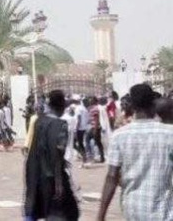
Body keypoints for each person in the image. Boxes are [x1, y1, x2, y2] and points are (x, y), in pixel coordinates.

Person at [97, 84, 173, 221]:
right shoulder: (169, 134)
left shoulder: (119, 136)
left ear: (132, 106)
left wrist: (101, 215)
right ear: (153, 104)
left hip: (133, 210)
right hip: (164, 211)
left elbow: (111, 177)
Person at [24, 90, 79, 221]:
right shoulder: (61, 125)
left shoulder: (39, 121)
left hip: (35, 172)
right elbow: (57, 153)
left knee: (36, 206)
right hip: (52, 175)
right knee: (67, 212)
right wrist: (59, 182)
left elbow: (40, 146)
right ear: (61, 106)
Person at [85, 97, 105, 163]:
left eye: (91, 100)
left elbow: (96, 119)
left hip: (95, 128)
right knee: (98, 142)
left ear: (94, 101)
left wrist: (95, 130)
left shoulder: (95, 109)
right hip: (94, 127)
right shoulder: (93, 108)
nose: (90, 101)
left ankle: (91, 156)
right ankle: (101, 157)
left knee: (89, 140)